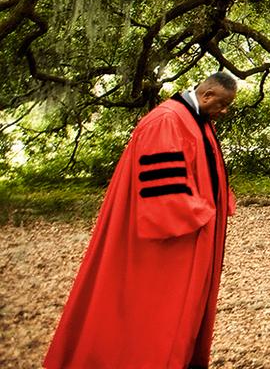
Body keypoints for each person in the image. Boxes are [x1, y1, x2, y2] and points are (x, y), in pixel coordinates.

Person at [44, 72, 238, 369]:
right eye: (223, 104)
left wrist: (219, 201)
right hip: (168, 242)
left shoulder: (197, 121)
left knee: (180, 313)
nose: (224, 111)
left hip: (195, 235)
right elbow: (163, 190)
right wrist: (201, 212)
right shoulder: (167, 121)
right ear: (208, 95)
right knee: (153, 311)